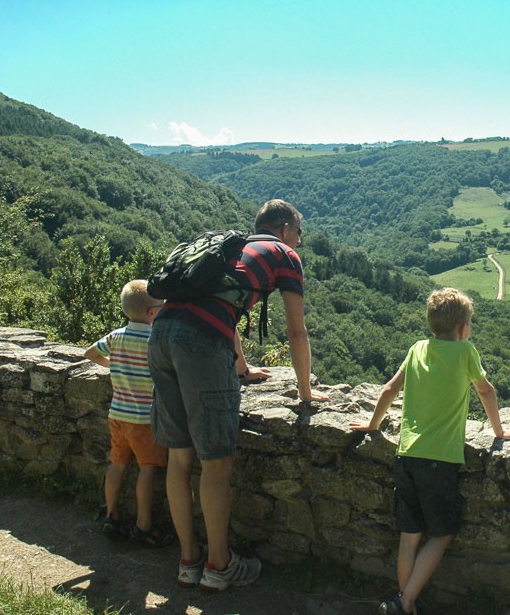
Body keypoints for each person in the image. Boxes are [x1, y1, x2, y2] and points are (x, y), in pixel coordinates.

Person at [149, 199, 330, 592]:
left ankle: (188, 562)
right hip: (199, 344)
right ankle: (219, 566)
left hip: (161, 333)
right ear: (285, 229)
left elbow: (222, 306)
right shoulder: (283, 255)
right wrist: (305, 390)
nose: (299, 243)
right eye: (298, 234)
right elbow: (296, 331)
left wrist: (242, 368)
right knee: (216, 463)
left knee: (179, 459)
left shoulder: (231, 249)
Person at [350, 287, 510, 615]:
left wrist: (373, 426)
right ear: (463, 329)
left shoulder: (418, 348)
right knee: (442, 534)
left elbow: (390, 389)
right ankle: (403, 603)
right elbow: (486, 391)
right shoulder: (465, 352)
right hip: (440, 460)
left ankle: (405, 601)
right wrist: (500, 431)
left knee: (410, 535)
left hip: (406, 455)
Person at [84, 279, 173, 548]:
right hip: (143, 420)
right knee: (147, 469)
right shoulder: (154, 341)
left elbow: (90, 353)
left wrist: (113, 363)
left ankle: (111, 515)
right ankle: (143, 526)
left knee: (117, 463)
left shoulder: (117, 336)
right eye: (160, 305)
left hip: (117, 415)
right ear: (151, 312)